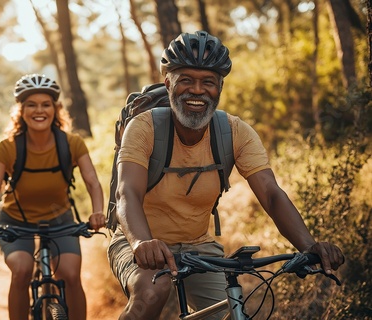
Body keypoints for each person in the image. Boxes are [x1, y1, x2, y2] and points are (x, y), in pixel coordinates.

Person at [107, 31, 345, 320]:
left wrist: (309, 246)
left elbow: (270, 194)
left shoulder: (234, 132)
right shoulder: (144, 128)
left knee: (233, 310)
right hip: (138, 241)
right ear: (168, 83)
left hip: (198, 246)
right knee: (151, 293)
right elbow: (126, 192)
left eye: (207, 82)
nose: (197, 90)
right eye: (186, 80)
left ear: (219, 88)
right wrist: (141, 242)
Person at [0, 73, 105, 320]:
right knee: (22, 270)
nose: (39, 111)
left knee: (71, 274)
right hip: (14, 221)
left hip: (60, 220)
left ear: (55, 110)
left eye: (46, 105)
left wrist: (97, 212)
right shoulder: (8, 146)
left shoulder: (72, 143)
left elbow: (92, 182)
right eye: (31, 105)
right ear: (21, 111)